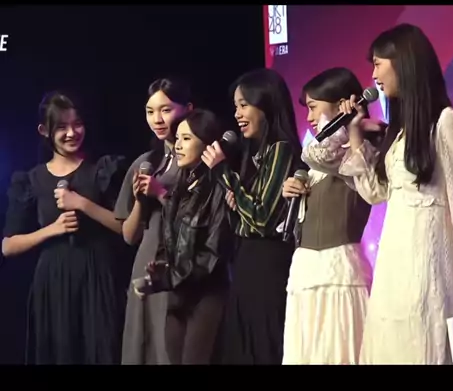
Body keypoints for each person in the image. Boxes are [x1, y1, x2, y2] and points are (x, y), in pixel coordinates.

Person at [338, 23, 453, 364]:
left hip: (430, 262)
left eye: (378, 63)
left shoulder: (447, 122)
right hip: (394, 263)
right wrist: (355, 134)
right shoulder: (399, 133)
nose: (373, 75)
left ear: (404, 62)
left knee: (425, 347)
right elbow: (375, 193)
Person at [2, 91, 127, 365]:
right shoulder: (31, 180)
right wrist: (53, 229)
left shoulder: (101, 171)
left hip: (97, 275)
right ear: (44, 131)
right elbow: (8, 246)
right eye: (62, 127)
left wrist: (82, 203)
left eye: (77, 124)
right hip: (53, 281)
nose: (72, 133)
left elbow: (125, 228)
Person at [202, 68, 303, 364]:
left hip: (268, 264)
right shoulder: (255, 155)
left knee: (263, 344)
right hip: (248, 260)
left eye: (244, 105)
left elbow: (261, 219)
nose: (237, 114)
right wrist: (236, 205)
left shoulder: (281, 150)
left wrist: (223, 171)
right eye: (236, 106)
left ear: (266, 104)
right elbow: (247, 219)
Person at [282, 68, 380, 365]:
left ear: (340, 104)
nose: (310, 117)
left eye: (314, 107)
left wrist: (345, 123)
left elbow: (318, 155)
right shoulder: (321, 158)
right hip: (306, 275)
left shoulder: (363, 146)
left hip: (339, 276)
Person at [133, 109, 231, 364]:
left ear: (207, 144)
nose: (177, 145)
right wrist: (158, 270)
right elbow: (170, 240)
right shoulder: (180, 188)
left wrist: (169, 278)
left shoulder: (219, 189)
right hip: (178, 296)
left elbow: (212, 254)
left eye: (186, 139)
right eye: (177, 138)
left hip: (206, 296)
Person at [114, 76, 193, 364]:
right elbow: (128, 235)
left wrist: (160, 193)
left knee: (172, 347)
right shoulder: (144, 163)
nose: (157, 119)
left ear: (188, 109)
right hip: (146, 261)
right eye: (150, 111)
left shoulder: (199, 160)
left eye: (165, 110)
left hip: (182, 266)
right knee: (143, 346)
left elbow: (201, 220)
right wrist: (140, 200)